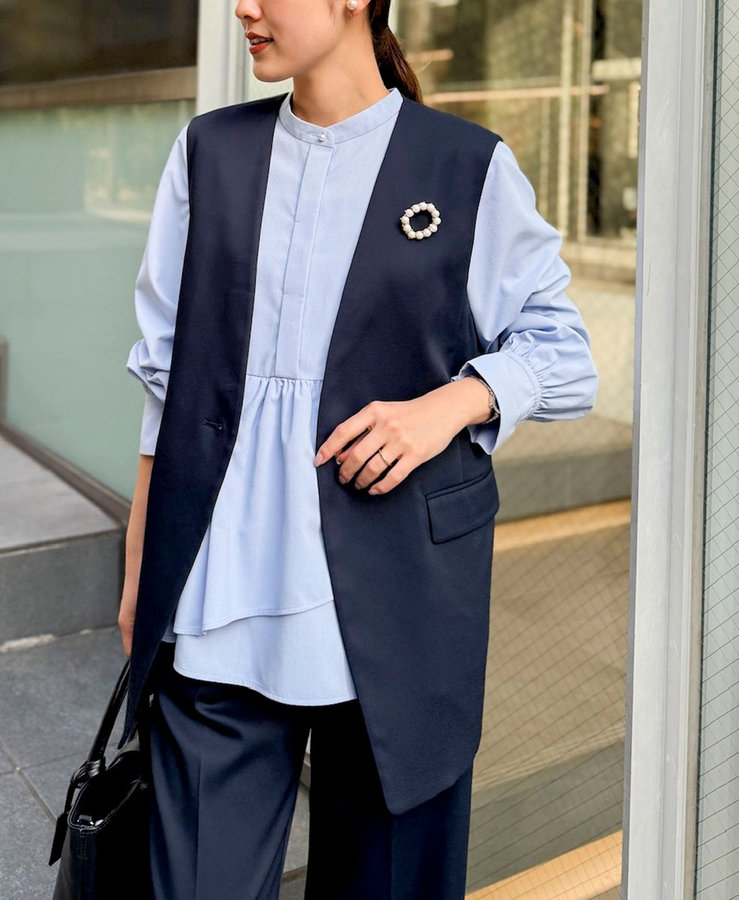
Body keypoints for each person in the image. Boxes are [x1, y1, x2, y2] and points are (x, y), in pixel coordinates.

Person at [119, 0, 599, 897]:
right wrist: (142, 569)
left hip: (399, 605)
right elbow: (165, 379)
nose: (243, 8)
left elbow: (565, 354)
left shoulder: (465, 166)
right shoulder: (209, 153)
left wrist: (450, 405)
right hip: (220, 593)